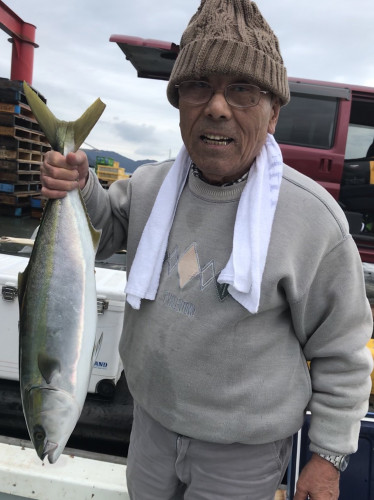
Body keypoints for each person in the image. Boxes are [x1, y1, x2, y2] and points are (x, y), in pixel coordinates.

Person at [40, 1, 373, 499]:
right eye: (199, 87)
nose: (216, 106)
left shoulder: (313, 221)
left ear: (274, 111)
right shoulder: (150, 184)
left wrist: (327, 457)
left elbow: (343, 350)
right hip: (149, 427)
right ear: (179, 105)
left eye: (241, 90)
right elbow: (105, 233)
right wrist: (81, 184)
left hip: (243, 455)